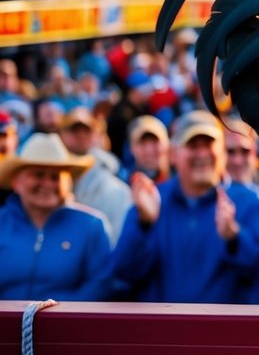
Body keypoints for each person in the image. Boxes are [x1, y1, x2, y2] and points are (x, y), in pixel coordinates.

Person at [112, 115, 259, 303]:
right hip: (163, 328)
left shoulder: (252, 202)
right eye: (193, 146)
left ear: (221, 153)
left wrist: (234, 238)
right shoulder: (152, 200)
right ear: (173, 155)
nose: (202, 154)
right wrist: (144, 225)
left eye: (208, 145)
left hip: (224, 329)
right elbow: (123, 272)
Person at [0, 133, 112, 300]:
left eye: (56, 177)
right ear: (17, 181)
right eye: (38, 174)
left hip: (70, 324)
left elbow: (101, 285)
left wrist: (58, 317)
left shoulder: (91, 225)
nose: (47, 184)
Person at [57, 107, 132, 246]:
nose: (80, 135)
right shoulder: (48, 179)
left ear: (95, 135)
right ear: (61, 133)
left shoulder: (116, 189)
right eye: (74, 129)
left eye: (86, 130)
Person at [127, 115, 172, 184]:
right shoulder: (123, 186)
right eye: (142, 142)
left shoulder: (184, 184)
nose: (149, 150)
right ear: (132, 149)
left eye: (155, 141)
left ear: (167, 145)